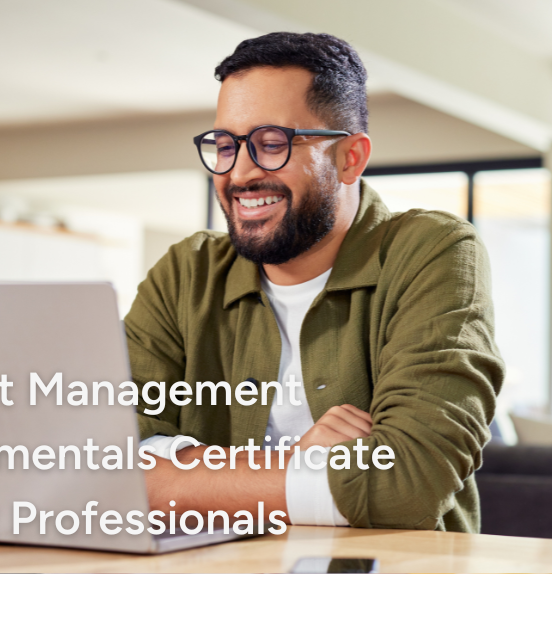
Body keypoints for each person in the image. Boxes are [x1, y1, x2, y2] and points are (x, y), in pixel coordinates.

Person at [124, 31, 504, 532]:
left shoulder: (432, 251)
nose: (239, 173)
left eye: (272, 144)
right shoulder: (186, 273)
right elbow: (98, 462)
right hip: (213, 574)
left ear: (350, 158)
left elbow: (408, 481)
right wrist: (297, 464)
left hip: (389, 576)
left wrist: (179, 478)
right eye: (225, 145)